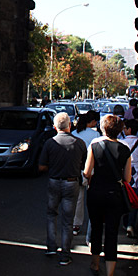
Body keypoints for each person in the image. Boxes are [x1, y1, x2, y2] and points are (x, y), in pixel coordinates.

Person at [83, 114, 131, 276]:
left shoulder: (95, 146)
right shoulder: (125, 150)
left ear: (103, 128)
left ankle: (95, 265)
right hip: (115, 195)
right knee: (111, 233)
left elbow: (88, 172)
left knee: (96, 228)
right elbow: (127, 177)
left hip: (96, 192)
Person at [39, 112, 87, 265]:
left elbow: (41, 166)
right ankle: (65, 254)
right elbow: (84, 164)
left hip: (54, 181)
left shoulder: (50, 143)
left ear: (54, 127)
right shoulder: (79, 143)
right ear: (70, 125)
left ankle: (51, 246)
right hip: (72, 182)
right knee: (68, 220)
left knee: (51, 214)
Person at [71, 111, 100, 236]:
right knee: (93, 200)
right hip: (92, 169)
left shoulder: (74, 134)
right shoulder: (95, 134)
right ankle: (92, 226)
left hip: (77, 169)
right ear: (92, 122)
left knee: (78, 198)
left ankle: (75, 224)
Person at [121, 119, 138, 237]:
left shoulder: (122, 142)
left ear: (129, 129)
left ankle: (125, 222)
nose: (123, 130)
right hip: (137, 175)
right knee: (134, 200)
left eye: (125, 128)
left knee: (124, 199)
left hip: (124, 174)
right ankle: (131, 224)